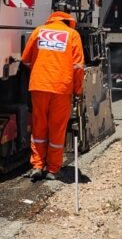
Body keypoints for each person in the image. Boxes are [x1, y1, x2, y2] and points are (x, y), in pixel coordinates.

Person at [20, 10, 85, 181]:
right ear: (68, 21)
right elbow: (78, 67)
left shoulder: (38, 31)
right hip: (61, 89)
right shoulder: (72, 35)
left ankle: (37, 165)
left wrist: (41, 69)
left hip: (39, 86)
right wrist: (78, 90)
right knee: (57, 128)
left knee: (39, 125)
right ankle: (53, 169)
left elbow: (25, 59)